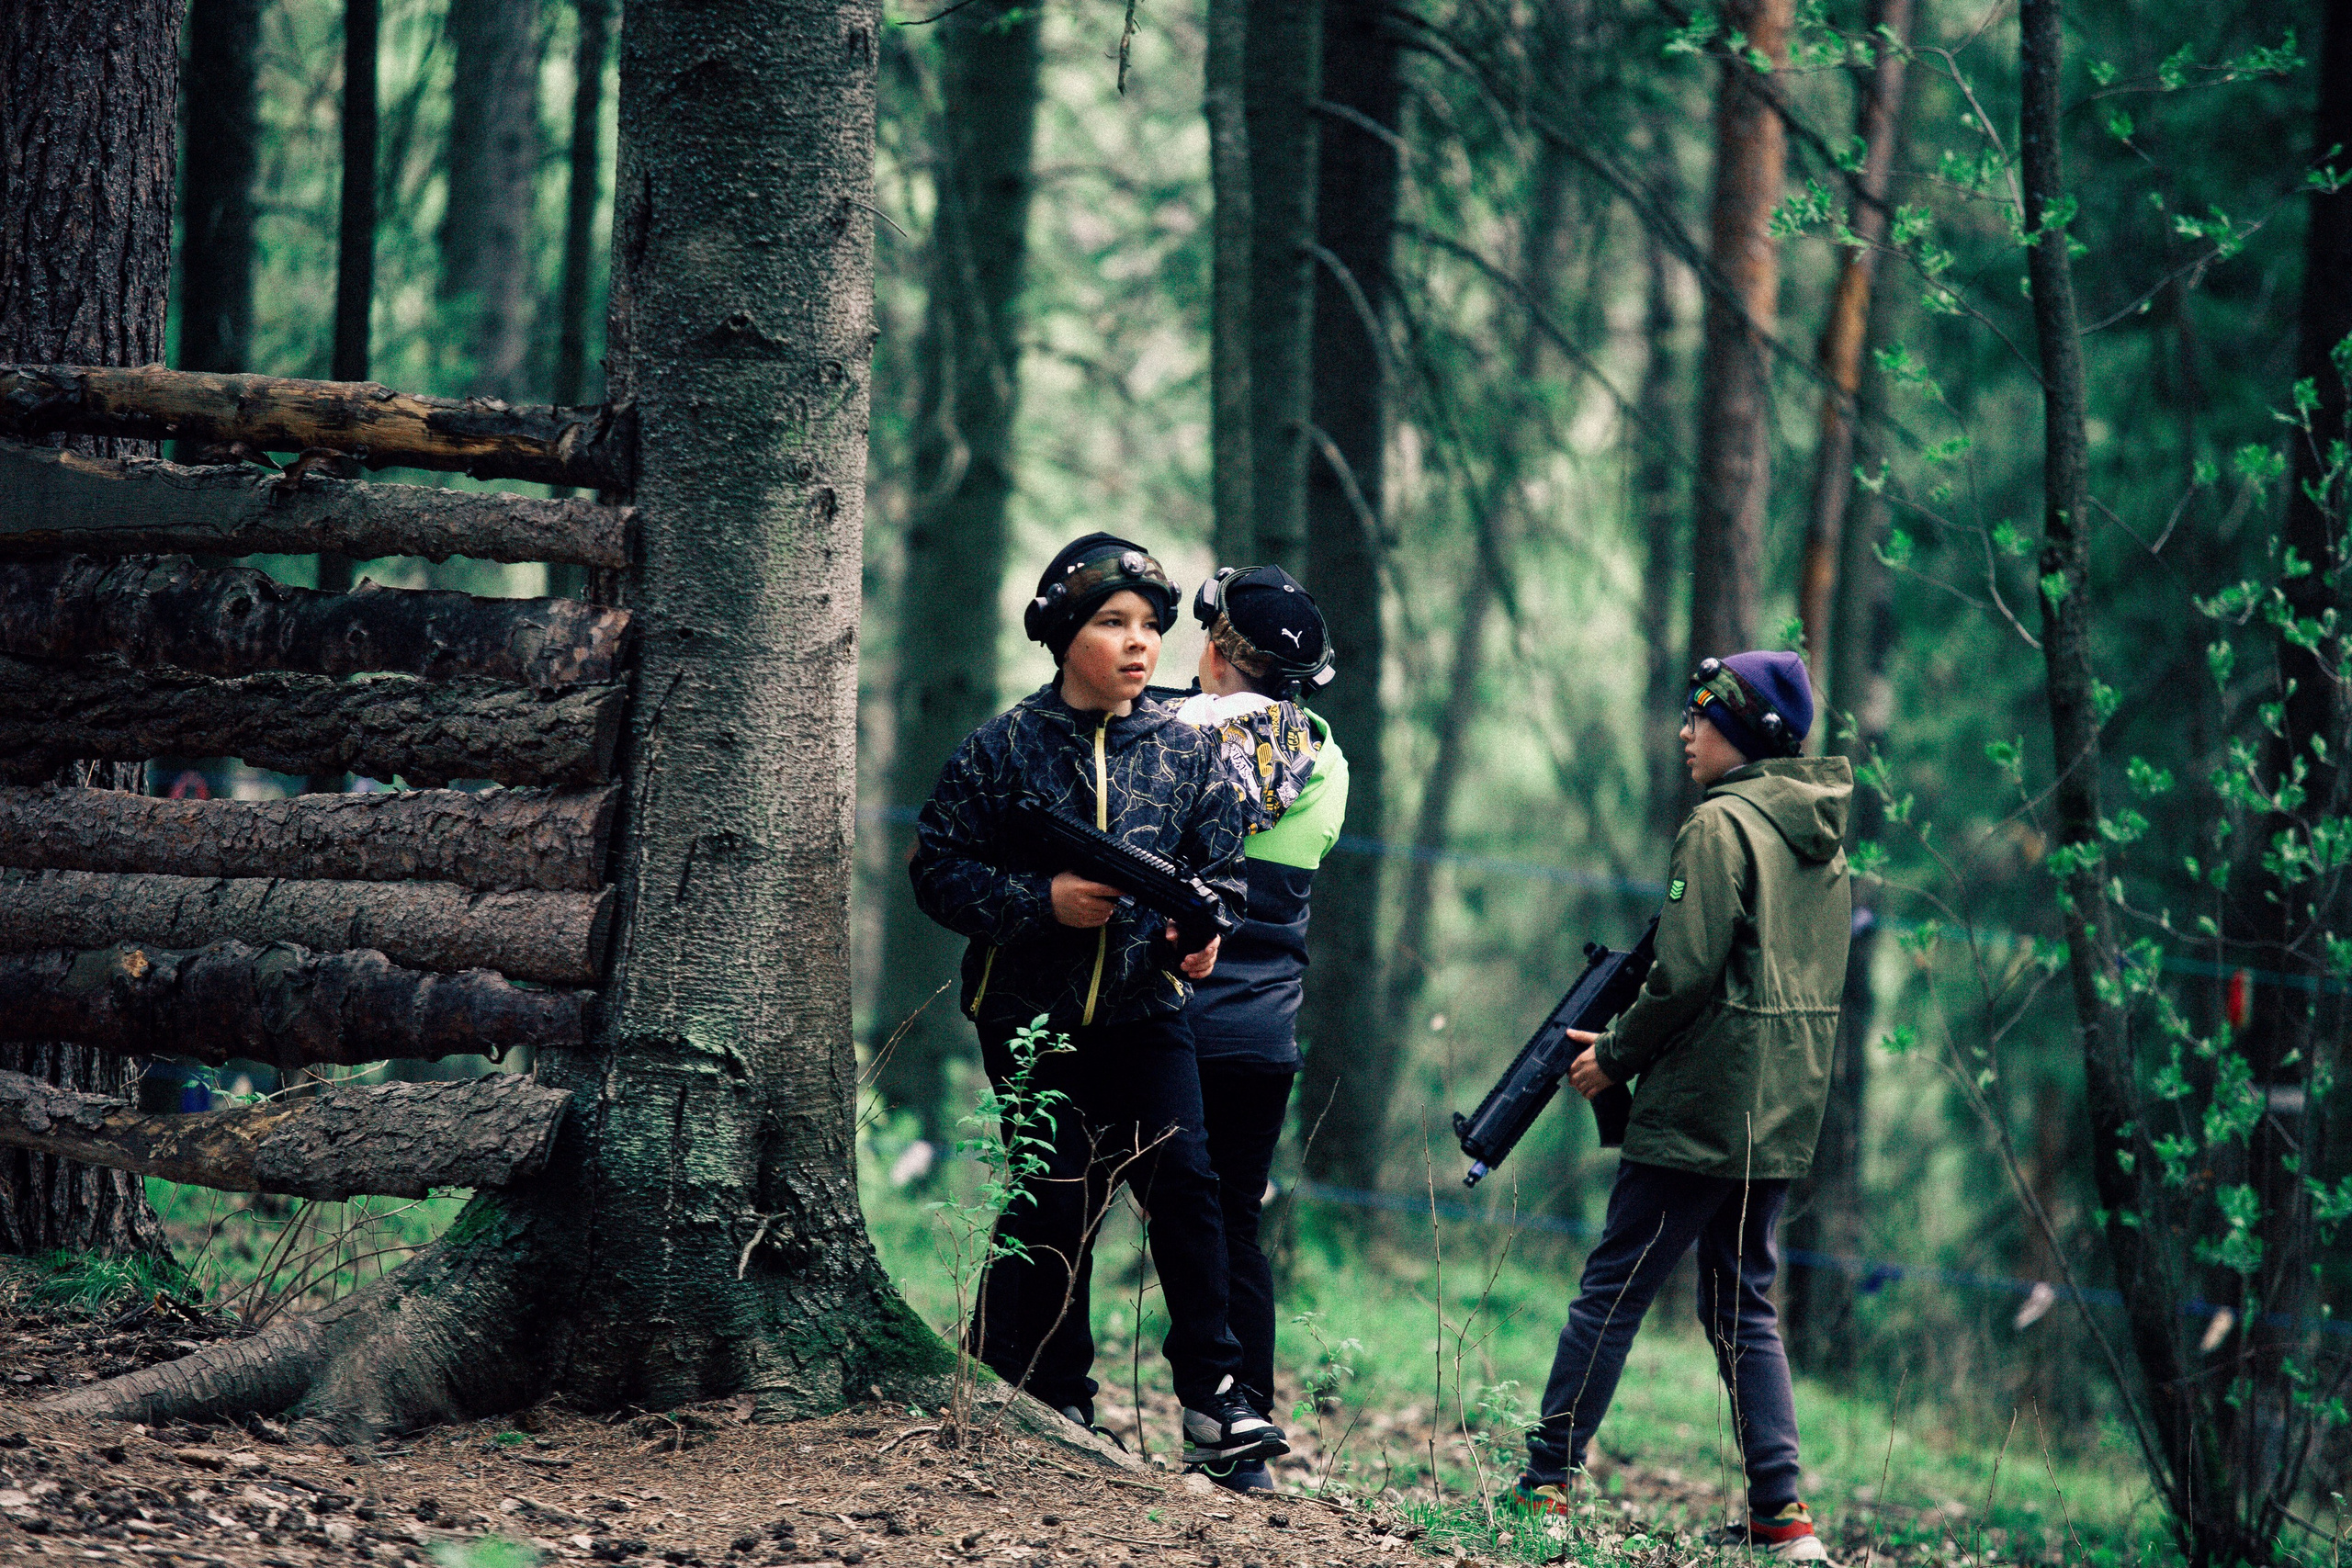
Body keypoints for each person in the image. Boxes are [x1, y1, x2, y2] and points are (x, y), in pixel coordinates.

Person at [909, 532, 1287, 1470]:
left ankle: (1214, 1397)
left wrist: (1198, 939)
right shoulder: (1001, 749)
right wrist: (1043, 904)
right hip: (1027, 1019)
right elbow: (938, 871)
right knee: (1057, 1196)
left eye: (1152, 627)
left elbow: (1223, 879)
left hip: (1148, 1014)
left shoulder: (1189, 754)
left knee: (1189, 1188)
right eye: (1111, 623)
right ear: (1059, 633)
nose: (1138, 643)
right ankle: (1053, 1390)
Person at [1512, 649, 1852, 1564]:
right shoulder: (1821, 835)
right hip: (1779, 1107)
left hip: (1702, 1106)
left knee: (1612, 1291)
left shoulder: (1719, 827)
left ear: (1738, 731)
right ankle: (1783, 1518)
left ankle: (1545, 1484)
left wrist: (1614, 1059)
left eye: (1701, 716)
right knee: (1744, 1307)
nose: (1683, 731)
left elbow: (1685, 972)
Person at [1169, 565, 1349, 1493]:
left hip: (1162, 1019)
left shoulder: (1163, 741)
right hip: (1262, 1036)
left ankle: (1040, 1385)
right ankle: (1243, 1430)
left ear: (1212, 650)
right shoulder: (1328, 760)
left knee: (1067, 1189)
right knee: (1236, 1222)